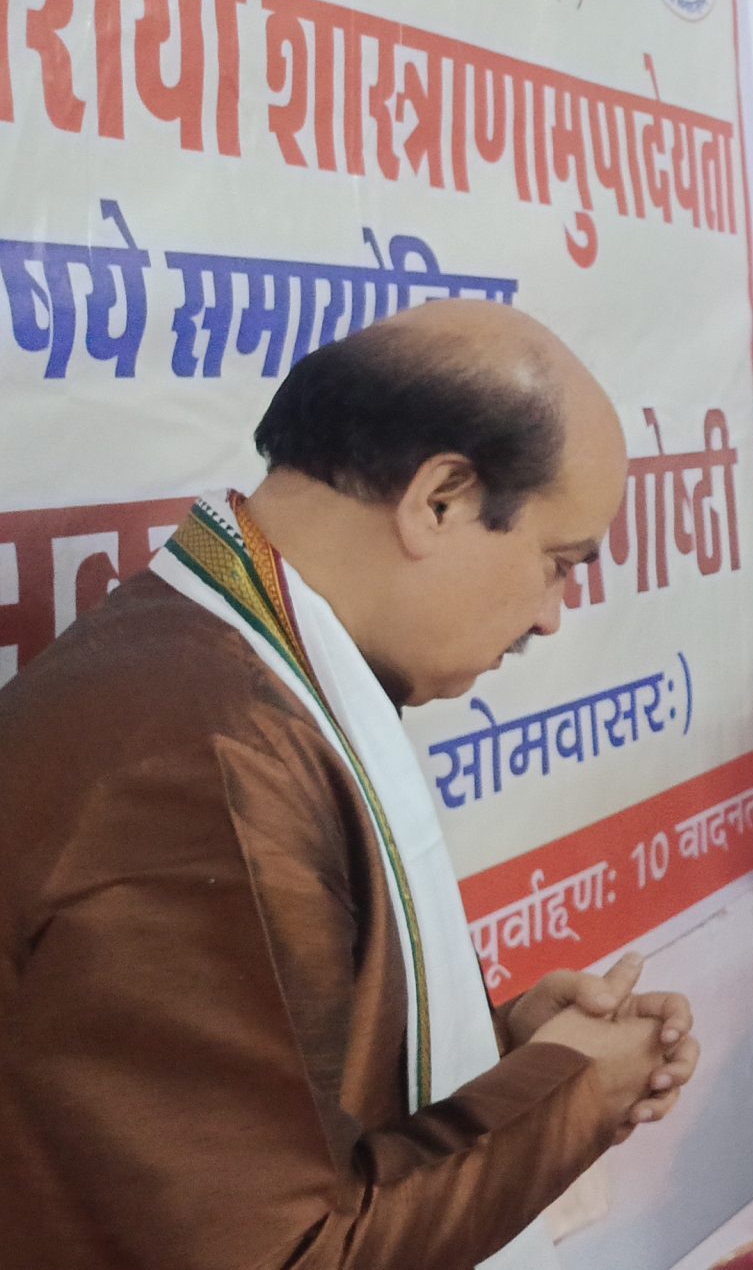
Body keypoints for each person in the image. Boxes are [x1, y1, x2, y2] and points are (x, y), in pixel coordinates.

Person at [0, 300, 700, 1270]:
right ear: (440, 499)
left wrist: (508, 1056)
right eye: (558, 563)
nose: (551, 617)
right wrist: (574, 1091)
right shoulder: (199, 761)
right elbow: (284, 1250)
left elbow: (269, 1105)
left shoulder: (225, 670)